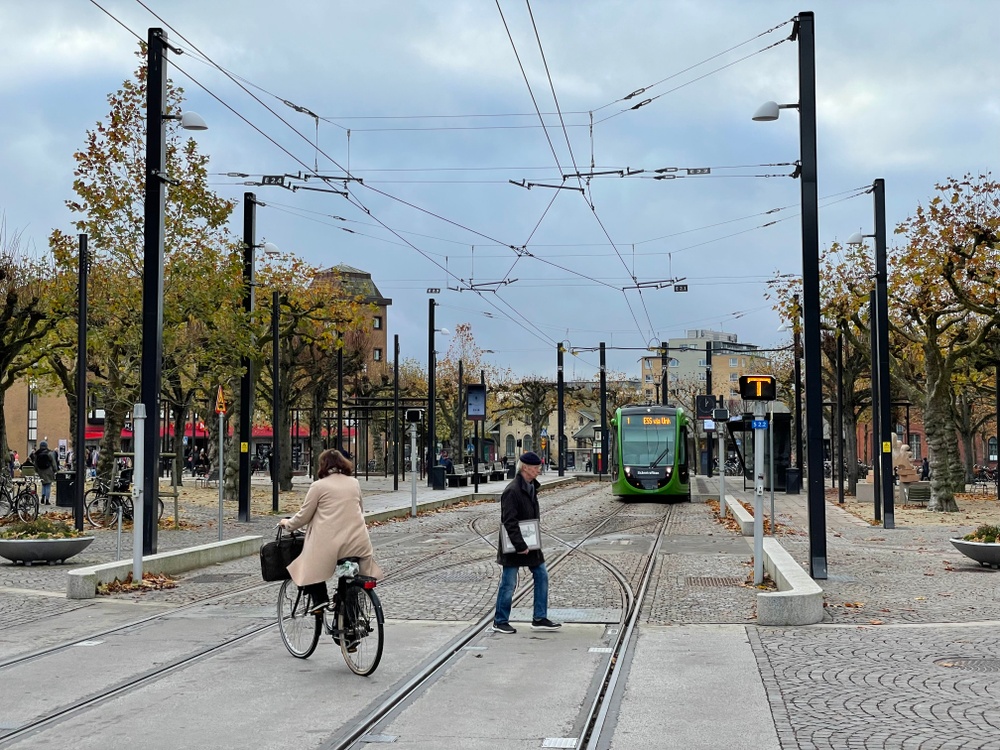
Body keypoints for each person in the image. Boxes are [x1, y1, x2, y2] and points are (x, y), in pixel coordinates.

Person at [278, 449, 383, 615]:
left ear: (322, 466)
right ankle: (349, 616)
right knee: (348, 577)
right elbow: (360, 510)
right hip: (358, 543)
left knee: (306, 563)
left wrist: (287, 524)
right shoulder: (354, 483)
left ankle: (320, 600)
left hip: (330, 547)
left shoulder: (318, 486)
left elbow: (304, 516)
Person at [492, 451, 561, 634]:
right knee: (508, 582)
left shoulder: (531, 487)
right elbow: (509, 522)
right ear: (525, 468)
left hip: (531, 542)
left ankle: (539, 617)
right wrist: (520, 545)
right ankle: (500, 620)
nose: (539, 470)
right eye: (536, 467)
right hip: (515, 545)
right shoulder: (512, 490)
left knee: (542, 575)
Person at [34, 440, 59, 505]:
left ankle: (42, 496)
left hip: (40, 471)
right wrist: (55, 470)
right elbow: (53, 462)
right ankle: (47, 500)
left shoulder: (37, 453)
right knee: (48, 484)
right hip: (48, 470)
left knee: (43, 484)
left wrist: (37, 470)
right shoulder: (49, 453)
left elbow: (35, 463)